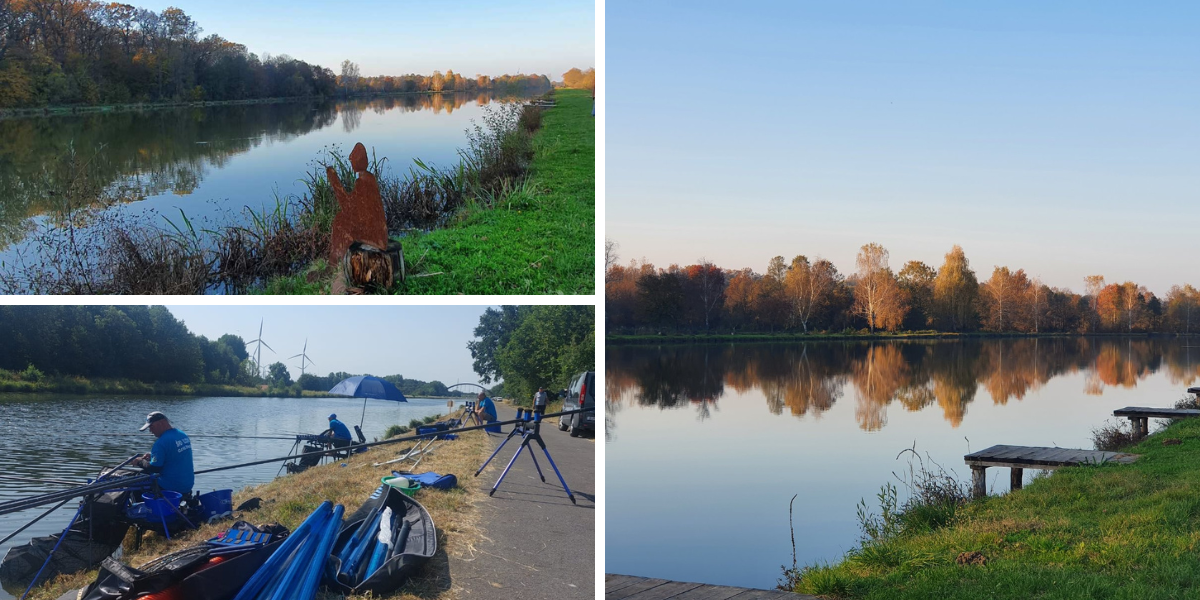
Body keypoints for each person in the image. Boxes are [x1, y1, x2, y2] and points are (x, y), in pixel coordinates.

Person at [134, 411, 194, 496]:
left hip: (170, 487)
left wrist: (139, 461)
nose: (150, 431)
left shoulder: (161, 443)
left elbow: (154, 468)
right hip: (187, 486)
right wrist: (153, 457)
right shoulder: (182, 435)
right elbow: (173, 455)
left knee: (135, 482)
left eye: (151, 427)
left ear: (161, 423)